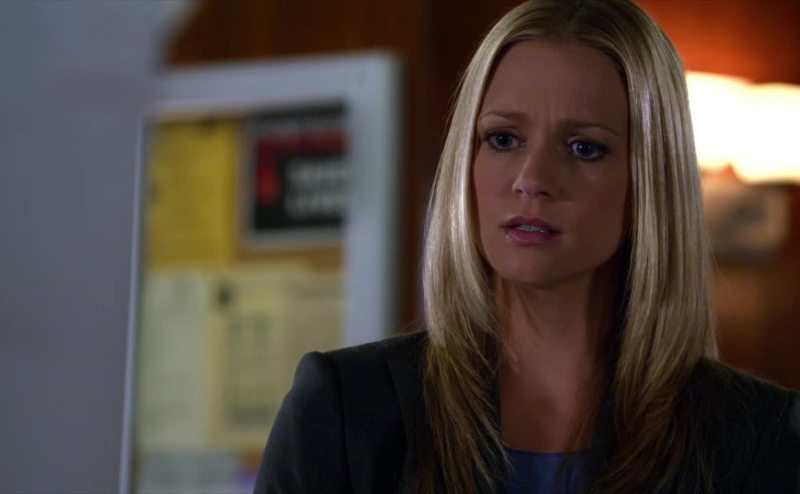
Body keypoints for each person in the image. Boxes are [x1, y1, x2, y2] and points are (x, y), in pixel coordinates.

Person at [253, 0, 800, 492]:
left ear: (649, 184)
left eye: (584, 148)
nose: (531, 178)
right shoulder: (347, 410)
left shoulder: (759, 437)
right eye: (503, 139)